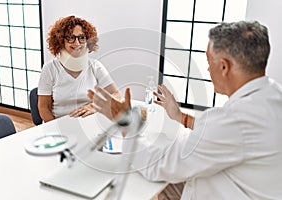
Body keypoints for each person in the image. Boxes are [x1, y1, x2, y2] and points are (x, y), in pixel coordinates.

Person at [88, 21, 282, 199]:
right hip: (245, 186)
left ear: (224, 66)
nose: (207, 70)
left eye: (209, 62)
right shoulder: (273, 94)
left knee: (141, 185)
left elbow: (159, 167)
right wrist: (181, 117)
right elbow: (223, 135)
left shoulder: (235, 121)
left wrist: (124, 119)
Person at [38, 16, 120, 122]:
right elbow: (44, 107)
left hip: (90, 124)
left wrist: (94, 106)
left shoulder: (95, 66)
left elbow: (116, 95)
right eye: (71, 38)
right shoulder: (50, 68)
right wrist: (55, 129)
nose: (77, 43)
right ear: (61, 41)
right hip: (60, 125)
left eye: (81, 38)